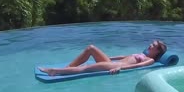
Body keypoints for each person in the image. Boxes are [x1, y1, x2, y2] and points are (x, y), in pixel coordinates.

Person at [38, 40, 167, 76]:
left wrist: (121, 68)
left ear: (157, 52)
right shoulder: (142, 53)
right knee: (91, 48)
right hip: (112, 62)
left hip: (115, 66)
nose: (150, 45)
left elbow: (137, 66)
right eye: (152, 43)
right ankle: (68, 68)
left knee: (86, 69)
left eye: (153, 45)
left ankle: (54, 71)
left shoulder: (150, 60)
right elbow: (124, 56)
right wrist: (110, 57)